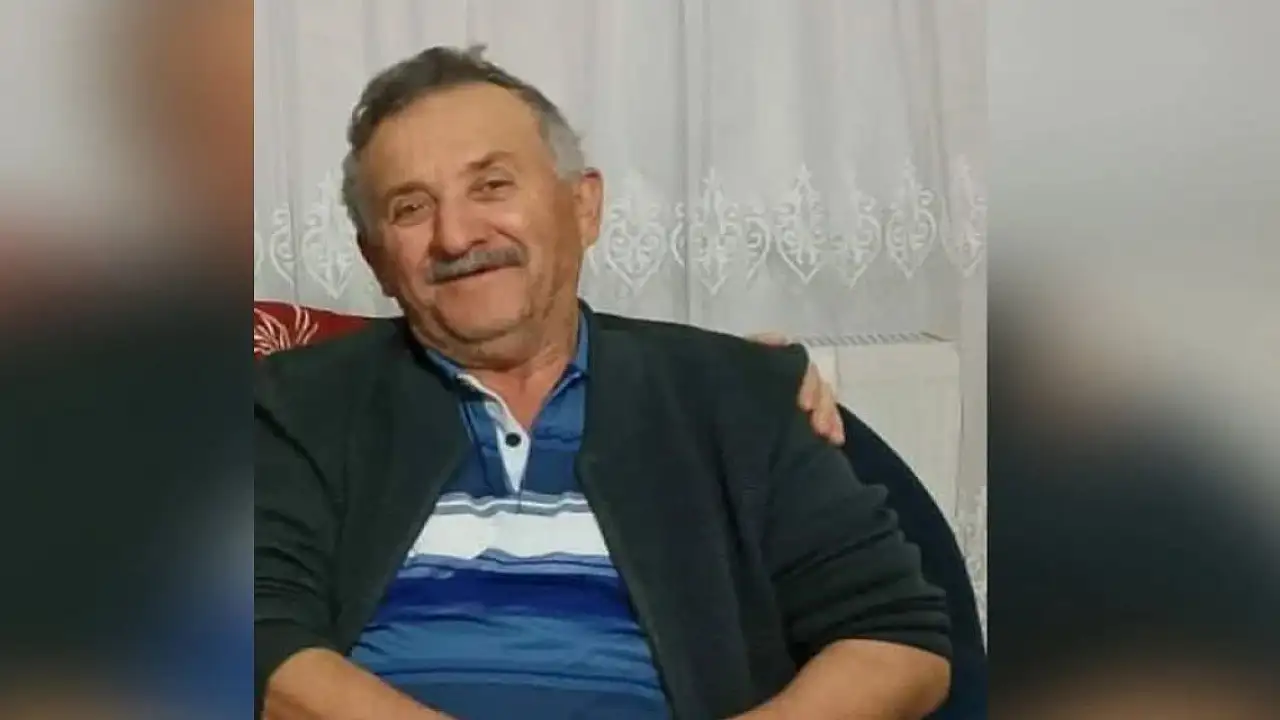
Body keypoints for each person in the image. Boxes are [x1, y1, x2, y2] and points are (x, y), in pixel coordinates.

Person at [255, 45, 950, 720]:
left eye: (491, 186)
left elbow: (898, 639)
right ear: (377, 260)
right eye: (410, 208)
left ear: (583, 206)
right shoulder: (295, 404)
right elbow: (256, 641)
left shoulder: (741, 394)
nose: (457, 236)